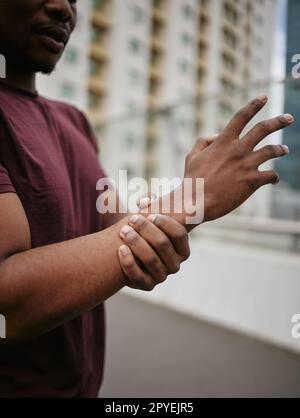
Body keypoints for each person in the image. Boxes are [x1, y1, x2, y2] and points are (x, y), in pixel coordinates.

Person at [0, 0, 294, 398]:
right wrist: (193, 199)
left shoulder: (74, 121)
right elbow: (7, 307)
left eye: (73, 0)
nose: (63, 9)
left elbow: (117, 226)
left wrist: (186, 194)